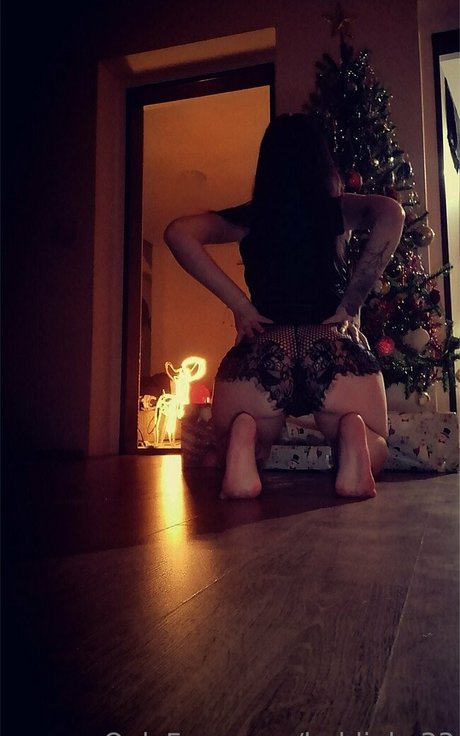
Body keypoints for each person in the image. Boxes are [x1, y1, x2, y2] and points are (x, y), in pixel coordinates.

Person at [164, 113, 405, 501]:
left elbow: (178, 233)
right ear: (322, 162)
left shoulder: (252, 216)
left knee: (242, 428)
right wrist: (351, 303)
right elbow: (392, 213)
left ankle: (245, 437)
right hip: (331, 344)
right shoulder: (337, 209)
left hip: (263, 348)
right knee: (373, 436)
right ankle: (353, 433)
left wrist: (240, 305)